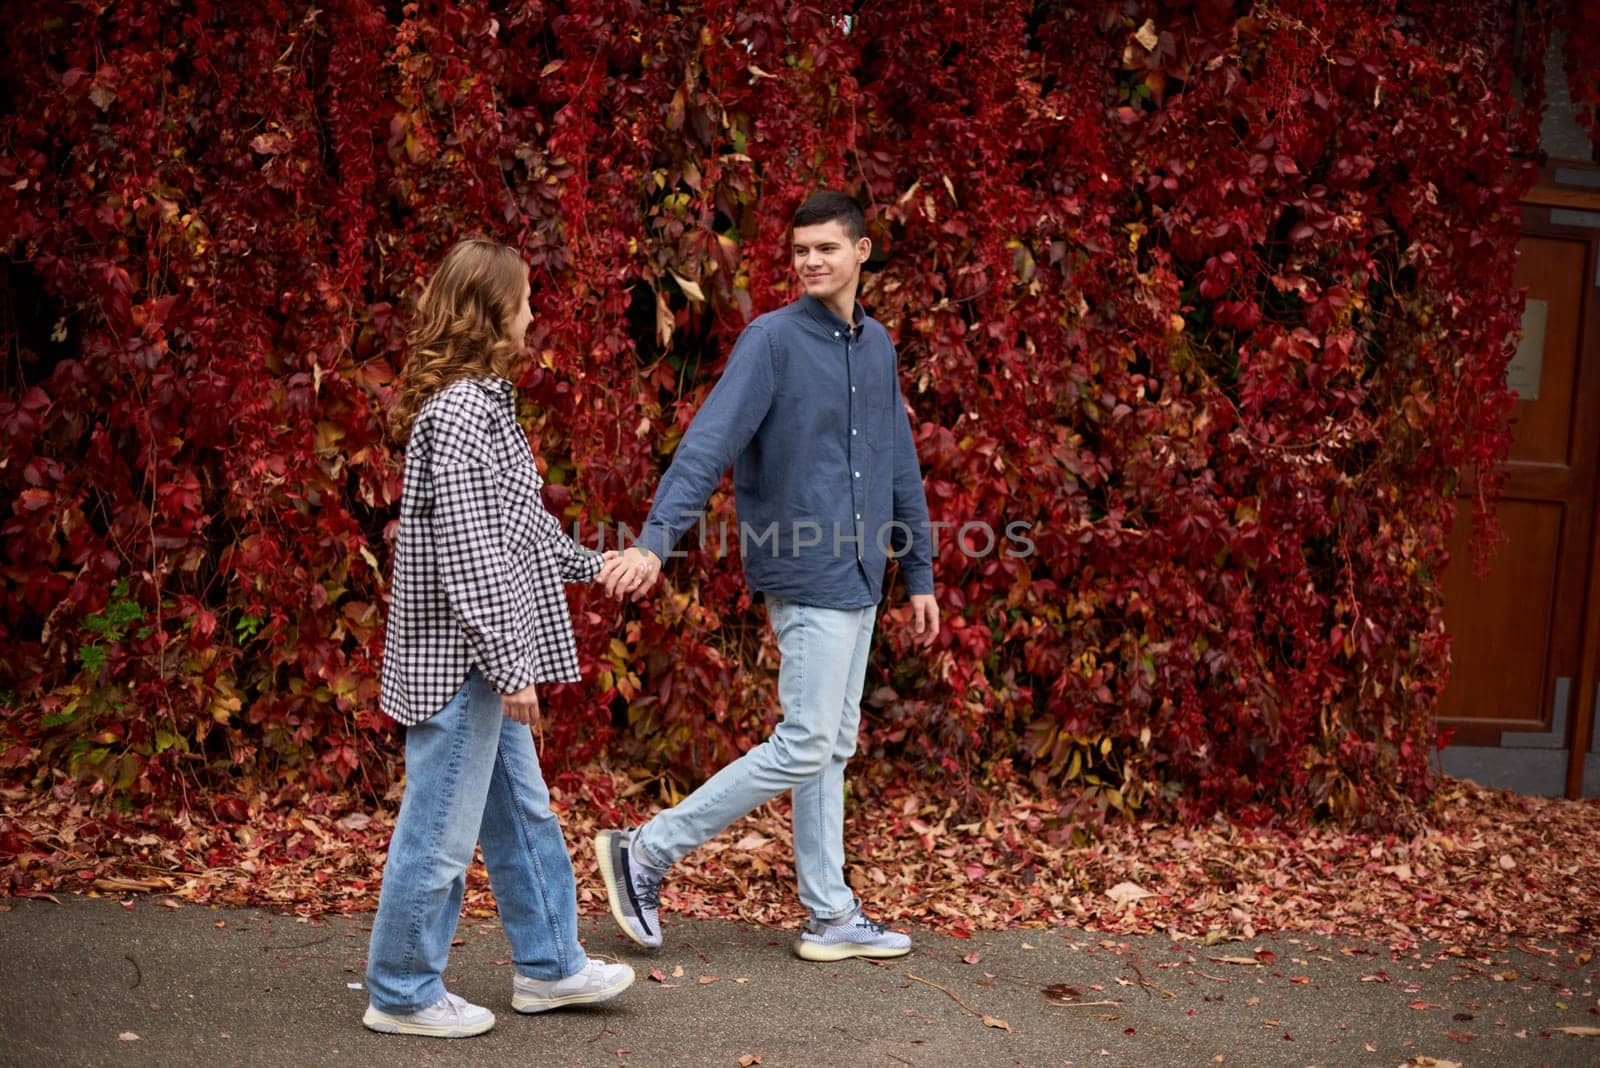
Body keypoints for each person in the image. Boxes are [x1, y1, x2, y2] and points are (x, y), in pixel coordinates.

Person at [595, 191, 940, 962]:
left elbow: (897, 464)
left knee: (831, 746)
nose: (811, 260)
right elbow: (706, 444)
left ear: (862, 252)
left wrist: (917, 569)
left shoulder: (877, 345)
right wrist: (655, 541)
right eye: (800, 250)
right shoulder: (771, 341)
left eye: (826, 248)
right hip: (804, 565)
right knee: (808, 739)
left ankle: (828, 913)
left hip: (861, 573)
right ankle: (646, 850)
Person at [363, 238, 637, 1037]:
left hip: (485, 657)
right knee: (440, 831)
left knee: (522, 812)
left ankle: (551, 966)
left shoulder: (485, 407)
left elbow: (518, 525)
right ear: (489, 314)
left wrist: (594, 562)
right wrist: (512, 666)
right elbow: (471, 553)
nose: (533, 313)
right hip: (462, 663)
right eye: (524, 301)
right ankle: (402, 989)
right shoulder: (455, 415)